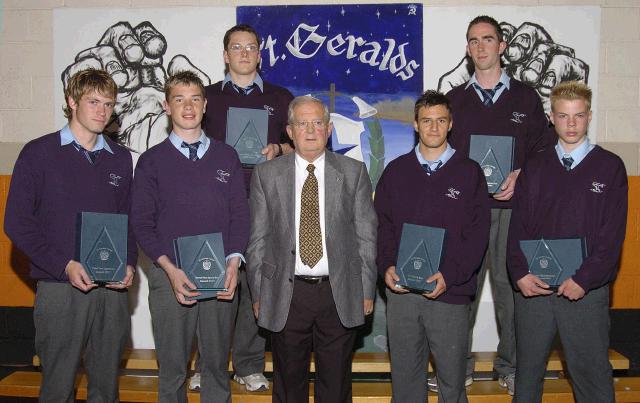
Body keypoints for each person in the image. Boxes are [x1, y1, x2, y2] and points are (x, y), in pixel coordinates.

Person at [433, 15, 555, 395]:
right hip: (467, 215)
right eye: (473, 41)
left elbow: (544, 151)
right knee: (459, 290)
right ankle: (456, 367)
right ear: (467, 49)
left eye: (488, 39)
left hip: (512, 213)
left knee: (510, 291)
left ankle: (511, 366)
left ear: (502, 46)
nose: (481, 46)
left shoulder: (526, 97)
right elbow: (441, 156)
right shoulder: (454, 100)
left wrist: (521, 174)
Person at [4, 69, 137, 403]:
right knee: (57, 388)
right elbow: (17, 223)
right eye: (93, 102)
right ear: (71, 101)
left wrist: (130, 264)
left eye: (108, 104)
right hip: (60, 288)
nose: (101, 111)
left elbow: (129, 220)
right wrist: (63, 265)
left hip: (111, 290)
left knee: (106, 388)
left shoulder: (120, 159)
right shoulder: (38, 153)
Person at [246, 95, 377, 403]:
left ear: (329, 128)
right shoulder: (266, 174)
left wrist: (367, 290)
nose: (310, 130)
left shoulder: (353, 172)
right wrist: (258, 293)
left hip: (339, 292)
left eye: (317, 122)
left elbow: (367, 237)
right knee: (289, 387)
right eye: (301, 123)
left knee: (336, 385)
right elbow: (257, 241)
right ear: (289, 131)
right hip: (285, 293)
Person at [130, 71, 250, 403]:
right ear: (167, 106)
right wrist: (169, 269)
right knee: (172, 372)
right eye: (179, 99)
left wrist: (234, 262)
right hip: (170, 277)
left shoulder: (227, 156)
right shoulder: (151, 162)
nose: (188, 106)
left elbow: (240, 215)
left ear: (205, 105)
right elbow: (141, 222)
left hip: (221, 275)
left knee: (215, 370)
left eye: (195, 98)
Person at [508, 81, 627, 402]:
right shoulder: (534, 167)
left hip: (585, 292)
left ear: (589, 116)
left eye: (578, 116)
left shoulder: (610, 167)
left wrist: (584, 280)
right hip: (535, 290)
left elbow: (611, 237)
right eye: (563, 116)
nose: (571, 124)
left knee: (591, 377)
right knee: (528, 377)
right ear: (551, 118)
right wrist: (519, 273)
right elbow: (518, 226)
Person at [192, 24, 294, 392]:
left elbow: (303, 142)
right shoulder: (205, 97)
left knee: (256, 285)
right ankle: (209, 363)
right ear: (225, 55)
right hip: (216, 202)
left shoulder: (281, 98)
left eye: (251, 47)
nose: (245, 53)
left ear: (259, 55)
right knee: (215, 281)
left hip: (267, 203)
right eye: (237, 47)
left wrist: (279, 150)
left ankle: (249, 364)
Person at [375, 90, 490, 402]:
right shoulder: (396, 172)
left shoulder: (470, 173)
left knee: (452, 384)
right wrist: (386, 265)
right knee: (406, 381)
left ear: (451, 124)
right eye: (427, 121)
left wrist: (449, 276)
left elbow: (477, 237)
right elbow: (382, 226)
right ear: (415, 124)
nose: (434, 128)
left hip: (449, 294)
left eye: (441, 120)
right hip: (402, 295)